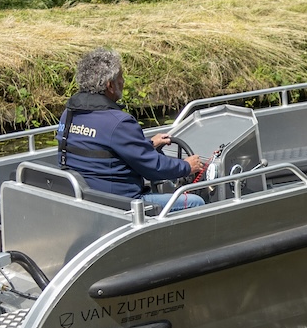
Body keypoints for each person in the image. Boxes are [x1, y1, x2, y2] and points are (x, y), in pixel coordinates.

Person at [58, 48, 205, 210]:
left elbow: (104, 147)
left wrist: (148, 144)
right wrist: (186, 166)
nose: (123, 81)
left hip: (89, 197)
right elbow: (153, 169)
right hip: (123, 204)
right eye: (120, 76)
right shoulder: (119, 122)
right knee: (196, 202)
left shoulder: (69, 114)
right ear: (110, 85)